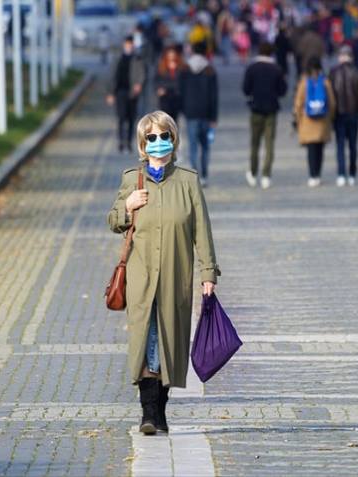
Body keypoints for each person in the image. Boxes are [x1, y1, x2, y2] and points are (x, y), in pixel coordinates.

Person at [107, 111, 220, 436]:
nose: (159, 143)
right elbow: (113, 221)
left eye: (164, 136)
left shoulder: (187, 181)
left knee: (169, 343)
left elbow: (202, 229)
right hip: (141, 279)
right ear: (143, 145)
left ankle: (160, 411)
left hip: (175, 276)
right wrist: (128, 205)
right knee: (146, 340)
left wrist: (207, 272)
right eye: (152, 138)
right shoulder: (132, 180)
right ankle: (148, 412)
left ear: (174, 140)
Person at [242, 41, 288, 189]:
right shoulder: (276, 69)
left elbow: (245, 89)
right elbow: (282, 91)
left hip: (256, 108)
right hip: (271, 110)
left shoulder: (252, 68)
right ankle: (266, 175)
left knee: (255, 143)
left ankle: (253, 172)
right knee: (269, 144)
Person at [329, 45, 358, 187]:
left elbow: (329, 95)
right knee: (353, 145)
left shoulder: (333, 72)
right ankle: (352, 174)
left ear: (340, 57)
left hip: (338, 113)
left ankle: (341, 174)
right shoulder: (357, 72)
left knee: (340, 145)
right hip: (353, 113)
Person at [179, 42, 219, 187]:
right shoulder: (210, 70)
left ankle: (194, 174)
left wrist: (182, 110)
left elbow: (180, 92)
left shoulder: (185, 69)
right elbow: (214, 96)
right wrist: (214, 117)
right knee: (205, 146)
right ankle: (204, 175)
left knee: (193, 146)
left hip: (190, 112)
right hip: (207, 113)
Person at [293, 57, 336, 187]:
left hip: (308, 121)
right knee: (320, 149)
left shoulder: (304, 82)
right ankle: (318, 174)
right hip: (322, 121)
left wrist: (297, 119)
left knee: (311, 150)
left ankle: (312, 176)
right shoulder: (325, 82)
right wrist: (331, 117)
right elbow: (332, 103)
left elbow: (298, 103)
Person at [106, 36, 146, 153]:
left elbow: (142, 74)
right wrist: (110, 93)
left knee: (131, 118)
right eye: (127, 45)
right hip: (119, 92)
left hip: (132, 93)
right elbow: (112, 76)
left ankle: (129, 141)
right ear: (124, 45)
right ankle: (121, 141)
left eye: (131, 45)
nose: (129, 47)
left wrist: (139, 84)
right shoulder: (118, 59)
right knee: (121, 117)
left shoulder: (137, 59)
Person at [155, 46, 184, 123]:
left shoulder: (180, 67)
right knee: (166, 120)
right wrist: (158, 88)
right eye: (169, 55)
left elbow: (181, 81)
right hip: (165, 97)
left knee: (175, 121)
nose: (171, 57)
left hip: (176, 97)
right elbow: (156, 80)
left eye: (173, 55)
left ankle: (174, 134)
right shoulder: (161, 66)